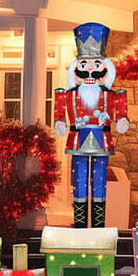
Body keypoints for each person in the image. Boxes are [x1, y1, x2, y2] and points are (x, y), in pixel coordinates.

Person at [53, 22, 129, 228]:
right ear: (77, 68)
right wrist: (59, 122)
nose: (90, 73)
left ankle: (97, 226)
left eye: (96, 66)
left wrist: (120, 120)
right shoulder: (67, 94)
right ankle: (79, 225)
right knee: (79, 183)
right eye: (84, 66)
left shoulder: (113, 95)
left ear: (104, 68)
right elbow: (59, 116)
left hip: (102, 141)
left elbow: (121, 116)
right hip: (77, 141)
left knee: (99, 184)